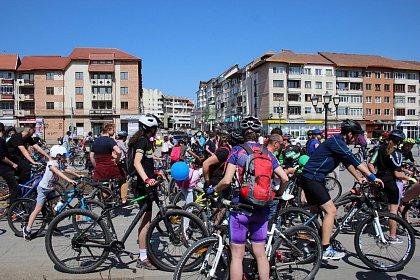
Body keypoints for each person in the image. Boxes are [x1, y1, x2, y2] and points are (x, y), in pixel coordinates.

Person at [214, 116, 289, 280]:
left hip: (240, 208)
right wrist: (279, 194)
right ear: (258, 134)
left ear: (242, 133)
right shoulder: (268, 153)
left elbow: (226, 181)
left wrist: (214, 189)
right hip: (262, 208)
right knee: (260, 254)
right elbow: (285, 178)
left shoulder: (237, 151)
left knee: (237, 255)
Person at [299, 119, 383, 260]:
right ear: (349, 134)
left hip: (310, 178)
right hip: (313, 179)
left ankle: (313, 242)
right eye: (356, 136)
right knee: (331, 210)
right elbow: (354, 160)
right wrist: (372, 177)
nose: (357, 139)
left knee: (316, 213)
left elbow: (347, 162)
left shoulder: (338, 143)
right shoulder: (336, 142)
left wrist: (359, 178)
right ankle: (325, 249)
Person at [22, 145, 82, 240]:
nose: (65, 157)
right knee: (38, 209)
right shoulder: (51, 163)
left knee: (57, 206)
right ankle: (27, 229)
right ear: (58, 155)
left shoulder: (59, 163)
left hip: (51, 189)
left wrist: (77, 175)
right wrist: (68, 180)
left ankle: (53, 225)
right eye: (63, 155)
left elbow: (66, 170)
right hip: (43, 189)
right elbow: (58, 172)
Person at [127, 114, 162, 269]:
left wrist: (155, 173)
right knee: (146, 222)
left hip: (144, 184)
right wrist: (147, 179)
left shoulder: (143, 140)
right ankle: (142, 258)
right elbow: (137, 162)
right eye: (155, 128)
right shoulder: (142, 141)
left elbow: (146, 160)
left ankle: (144, 254)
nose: (156, 131)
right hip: (142, 186)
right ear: (151, 129)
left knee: (146, 221)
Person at [369, 130, 415, 243]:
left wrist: (375, 177)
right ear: (399, 141)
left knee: (383, 203)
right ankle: (393, 236)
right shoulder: (397, 153)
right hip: (390, 183)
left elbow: (370, 163)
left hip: (380, 180)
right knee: (393, 211)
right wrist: (409, 178)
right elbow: (397, 174)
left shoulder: (379, 149)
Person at [0, 123, 19, 211]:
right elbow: (2, 157)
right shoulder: (1, 141)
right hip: (3, 168)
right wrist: (13, 164)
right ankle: (12, 210)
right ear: (3, 131)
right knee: (15, 188)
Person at [116, 131, 130, 203]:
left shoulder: (115, 142)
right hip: (121, 162)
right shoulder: (121, 143)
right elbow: (126, 151)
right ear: (124, 137)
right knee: (124, 179)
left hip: (115, 162)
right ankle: (124, 199)